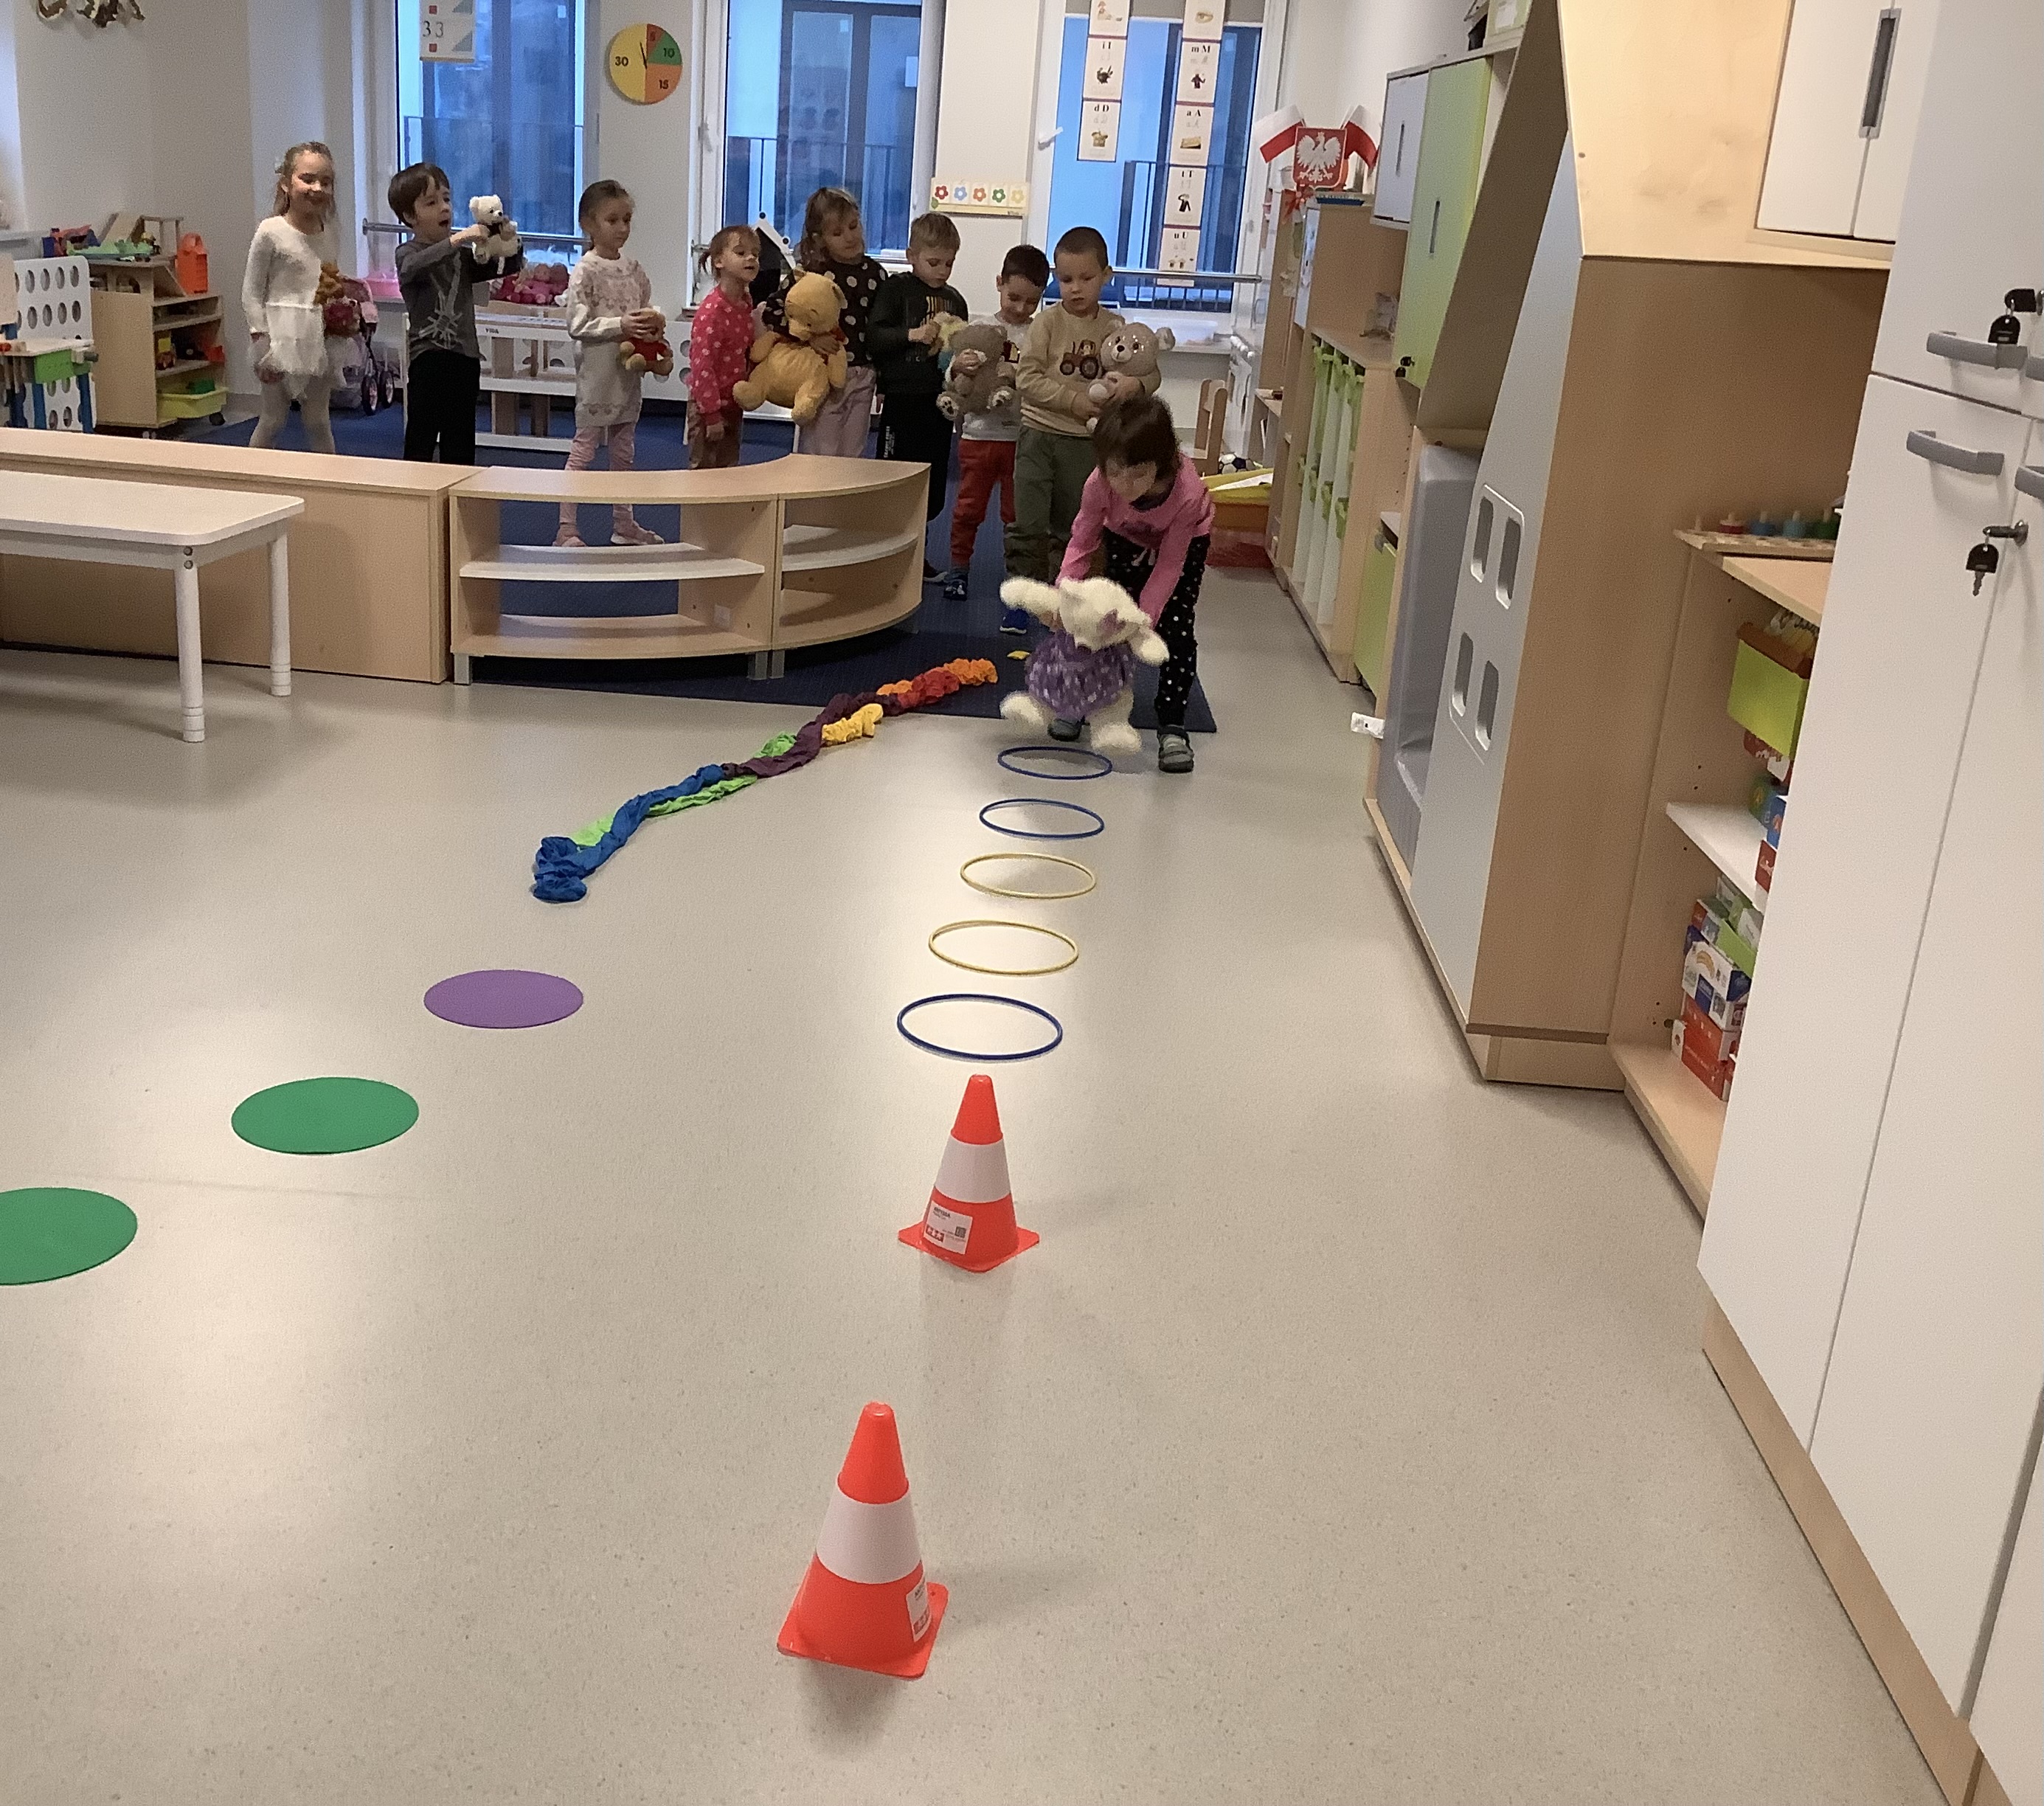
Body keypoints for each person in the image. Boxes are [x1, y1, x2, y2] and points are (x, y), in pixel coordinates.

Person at [1011, 225, 1157, 631]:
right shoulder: (1047, 323)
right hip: (1039, 435)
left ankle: (1064, 600)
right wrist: (1074, 401)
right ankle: (1022, 598)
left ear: (1106, 275)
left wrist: (1135, 386)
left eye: (1086, 278)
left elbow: (1149, 371)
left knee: (1073, 526)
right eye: (1065, 279)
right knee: (1029, 523)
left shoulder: (1115, 328)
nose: (1075, 288)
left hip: (1085, 443)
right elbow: (1027, 379)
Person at [1059, 392, 1212, 775]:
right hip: (1126, 535)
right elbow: (1082, 540)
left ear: (1161, 463)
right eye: (1115, 471)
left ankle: (1172, 725)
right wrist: (1066, 592)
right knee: (1104, 619)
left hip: (1185, 542)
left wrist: (1143, 618)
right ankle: (1087, 701)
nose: (1124, 484)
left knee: (1176, 631)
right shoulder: (1099, 484)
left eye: (1137, 473)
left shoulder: (1187, 494)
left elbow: (1170, 565)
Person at [390, 162, 523, 464]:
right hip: (428, 357)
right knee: (421, 436)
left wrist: (507, 240)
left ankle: (460, 490)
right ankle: (415, 488)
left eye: (447, 199)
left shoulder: (463, 256)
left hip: (465, 356)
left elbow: (503, 267)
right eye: (431, 202)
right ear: (410, 216)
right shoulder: (407, 253)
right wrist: (458, 239)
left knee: (460, 439)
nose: (444, 207)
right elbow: (412, 268)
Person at [557, 180, 665, 546]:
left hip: (627, 374)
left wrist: (651, 326)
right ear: (588, 223)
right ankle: (566, 527)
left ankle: (624, 523)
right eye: (612, 220)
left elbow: (645, 307)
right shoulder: (585, 270)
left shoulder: (634, 269)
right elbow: (577, 324)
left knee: (624, 452)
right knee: (584, 449)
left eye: (626, 220)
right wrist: (620, 325)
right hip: (598, 375)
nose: (621, 228)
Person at [938, 243, 1047, 604]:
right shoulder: (980, 327)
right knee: (968, 507)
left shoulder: (1039, 333)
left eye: (1031, 302)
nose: (1021, 308)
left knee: (1017, 515)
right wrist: (956, 367)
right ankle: (958, 568)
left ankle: (1017, 577)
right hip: (978, 435)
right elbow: (951, 373)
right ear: (999, 283)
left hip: (1021, 438)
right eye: (1014, 297)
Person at [868, 212, 969, 571]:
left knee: (933, 480)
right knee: (895, 477)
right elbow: (875, 336)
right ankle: (886, 553)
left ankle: (915, 553)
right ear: (912, 256)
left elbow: (960, 348)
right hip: (903, 400)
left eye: (949, 263)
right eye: (934, 262)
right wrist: (912, 335)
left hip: (938, 404)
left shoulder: (955, 300)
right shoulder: (896, 290)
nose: (942, 271)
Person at [761, 187, 886, 458]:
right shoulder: (811, 274)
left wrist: (883, 379)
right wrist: (810, 337)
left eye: (853, 226)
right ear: (820, 239)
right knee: (820, 450)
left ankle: (843, 488)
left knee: (853, 451)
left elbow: (882, 327)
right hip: (822, 373)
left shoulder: (876, 274)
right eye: (837, 233)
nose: (850, 237)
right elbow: (774, 310)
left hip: (864, 374)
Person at [243, 142, 342, 453]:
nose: (317, 188)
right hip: (278, 338)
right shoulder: (270, 231)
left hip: (316, 336)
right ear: (286, 183)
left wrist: (342, 313)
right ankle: (250, 475)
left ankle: (330, 478)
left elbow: (328, 282)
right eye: (307, 179)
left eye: (326, 182)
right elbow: (251, 291)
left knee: (318, 420)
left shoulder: (329, 231)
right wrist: (262, 341)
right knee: (273, 420)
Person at [688, 224, 761, 470]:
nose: (751, 258)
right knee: (705, 471)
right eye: (741, 253)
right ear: (719, 261)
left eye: (755, 254)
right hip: (708, 406)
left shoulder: (745, 304)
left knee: (729, 469)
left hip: (733, 402)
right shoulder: (713, 311)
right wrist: (711, 415)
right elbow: (702, 366)